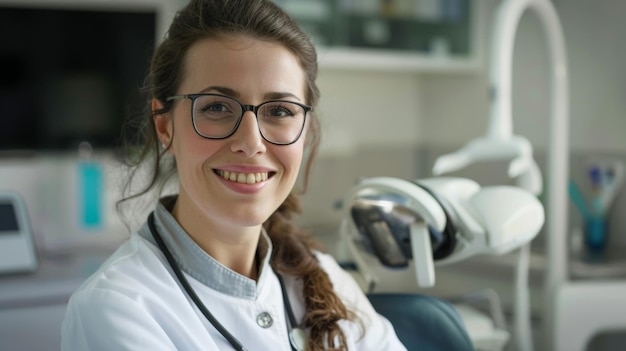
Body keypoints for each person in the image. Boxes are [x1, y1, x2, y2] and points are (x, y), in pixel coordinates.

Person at [61, 0, 406, 350]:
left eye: (280, 111)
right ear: (165, 126)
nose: (251, 142)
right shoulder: (116, 308)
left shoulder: (326, 277)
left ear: (305, 131)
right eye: (217, 107)